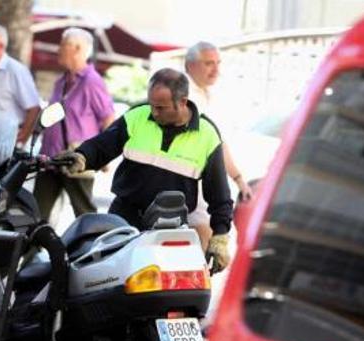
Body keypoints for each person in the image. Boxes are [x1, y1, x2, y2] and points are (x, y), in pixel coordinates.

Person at [56, 68, 233, 272]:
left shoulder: (207, 135)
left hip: (171, 229)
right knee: (105, 279)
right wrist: (82, 156)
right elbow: (102, 146)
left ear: (183, 102)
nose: (154, 112)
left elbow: (219, 194)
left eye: (161, 107)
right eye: (151, 105)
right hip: (124, 218)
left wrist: (220, 236)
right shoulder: (137, 116)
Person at [36, 28, 114, 220]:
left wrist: (104, 156)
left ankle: (90, 248)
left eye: (63, 44)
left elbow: (108, 119)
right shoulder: (62, 81)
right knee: (36, 212)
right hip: (51, 159)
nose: (58, 49)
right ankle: (31, 250)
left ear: (78, 49)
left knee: (84, 213)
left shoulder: (92, 82)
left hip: (77, 159)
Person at [184, 41, 253, 249]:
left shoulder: (210, 95)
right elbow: (215, 144)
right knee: (204, 246)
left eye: (217, 63)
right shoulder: (184, 95)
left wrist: (239, 180)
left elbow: (220, 143)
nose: (216, 69)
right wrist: (238, 179)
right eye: (208, 63)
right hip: (191, 181)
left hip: (206, 183)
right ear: (190, 66)